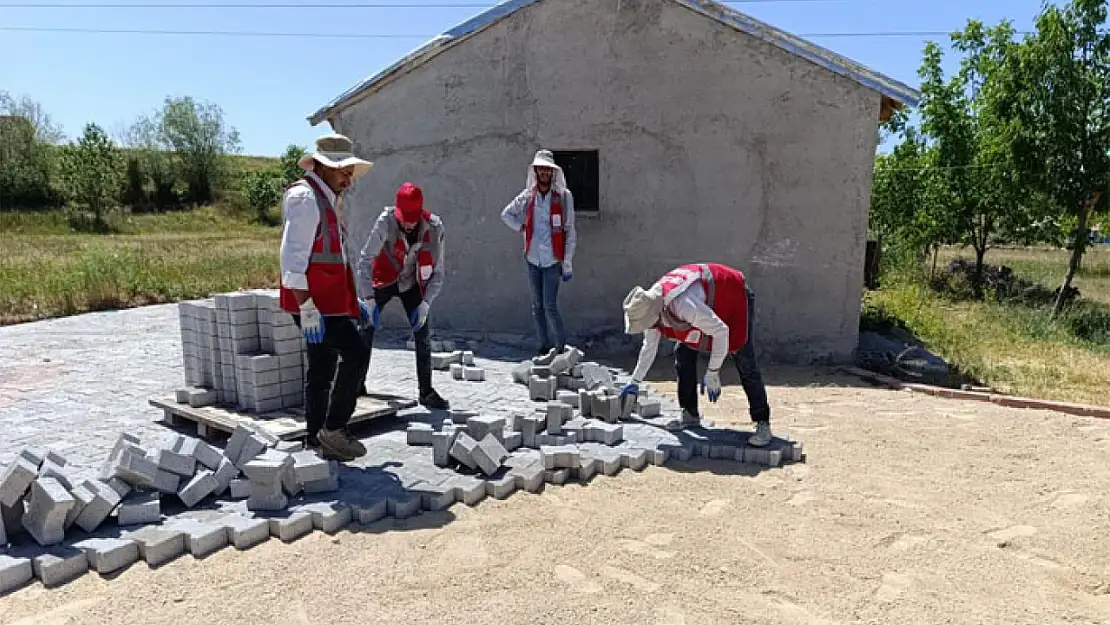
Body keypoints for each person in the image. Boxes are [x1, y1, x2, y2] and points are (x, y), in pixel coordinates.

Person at [278, 133, 374, 461]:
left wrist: (352, 299)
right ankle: (333, 429)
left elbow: (335, 257)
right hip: (314, 304)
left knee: (322, 366)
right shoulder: (305, 199)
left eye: (350, 171)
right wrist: (306, 308)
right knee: (356, 353)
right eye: (342, 170)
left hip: (328, 302)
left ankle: (315, 440)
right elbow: (292, 259)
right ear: (320, 166)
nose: (348, 177)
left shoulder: (327, 198)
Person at [618, 262, 774, 447]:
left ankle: (763, 423)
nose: (650, 329)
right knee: (683, 353)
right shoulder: (650, 304)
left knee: (743, 356)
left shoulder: (682, 305)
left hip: (733, 294)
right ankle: (690, 414)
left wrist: (713, 372)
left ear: (656, 316)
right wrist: (634, 382)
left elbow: (721, 331)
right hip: (706, 300)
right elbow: (649, 347)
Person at [356, 181, 451, 411]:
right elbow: (364, 261)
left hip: (412, 283)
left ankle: (426, 391)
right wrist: (368, 299)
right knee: (365, 328)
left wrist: (426, 303)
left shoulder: (434, 228)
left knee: (423, 334)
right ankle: (356, 384)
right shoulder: (385, 221)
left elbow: (437, 273)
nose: (408, 224)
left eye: (412, 218)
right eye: (404, 218)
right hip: (384, 279)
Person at [500, 149, 577, 356]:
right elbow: (506, 214)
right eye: (540, 169)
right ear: (535, 171)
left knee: (550, 305)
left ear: (553, 173)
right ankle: (543, 346)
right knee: (537, 306)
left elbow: (569, 230)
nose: (543, 173)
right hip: (533, 258)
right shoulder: (528, 196)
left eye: (547, 169)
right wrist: (522, 227)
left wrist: (567, 262)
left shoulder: (563, 197)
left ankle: (560, 347)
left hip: (553, 260)